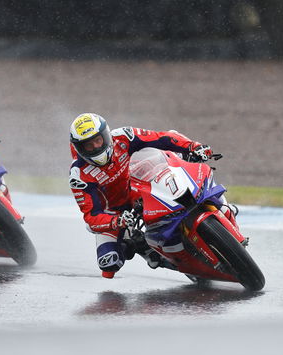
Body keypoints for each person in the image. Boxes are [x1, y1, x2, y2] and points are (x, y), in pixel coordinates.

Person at [68, 112, 236, 278]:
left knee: (176, 144)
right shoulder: (78, 175)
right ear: (79, 148)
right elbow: (92, 216)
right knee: (109, 263)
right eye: (88, 146)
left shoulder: (123, 136)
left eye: (98, 140)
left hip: (138, 186)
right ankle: (147, 249)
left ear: (106, 134)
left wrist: (194, 147)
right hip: (115, 211)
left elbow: (161, 138)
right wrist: (116, 221)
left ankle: (221, 204)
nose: (96, 147)